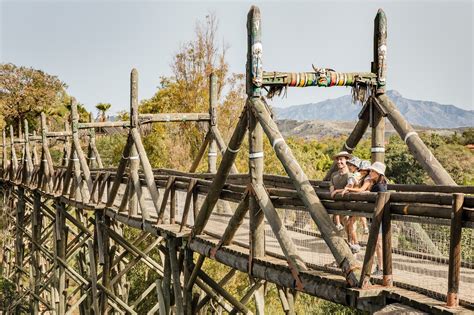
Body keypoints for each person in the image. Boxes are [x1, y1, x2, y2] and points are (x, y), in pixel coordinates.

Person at [368, 161, 388, 276]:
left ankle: (381, 267)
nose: (370, 172)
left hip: (378, 217)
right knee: (377, 243)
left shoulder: (379, 186)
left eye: (372, 171)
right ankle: (380, 266)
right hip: (378, 216)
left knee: (379, 243)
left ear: (378, 173)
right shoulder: (380, 184)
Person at [329, 151, 352, 231]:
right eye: (337, 160)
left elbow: (349, 189)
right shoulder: (334, 174)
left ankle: (353, 243)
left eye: (341, 159)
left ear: (347, 160)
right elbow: (331, 185)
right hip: (336, 206)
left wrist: (336, 192)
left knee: (349, 228)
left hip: (347, 206)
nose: (339, 162)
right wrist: (332, 192)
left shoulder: (351, 175)